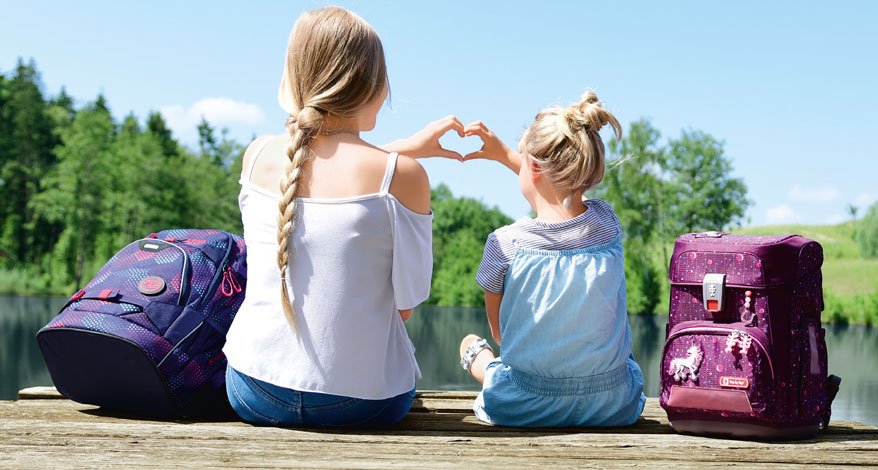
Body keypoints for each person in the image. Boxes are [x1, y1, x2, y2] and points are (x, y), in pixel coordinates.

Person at [223, 6, 466, 428]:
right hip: (364, 401)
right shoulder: (403, 177)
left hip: (251, 388)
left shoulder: (258, 155)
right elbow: (406, 306)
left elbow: (318, 168)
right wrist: (399, 156)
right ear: (373, 82)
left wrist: (400, 149)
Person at [458, 91, 647, 427]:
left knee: (474, 345)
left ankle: (480, 361)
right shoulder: (608, 224)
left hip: (524, 403)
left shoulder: (504, 244)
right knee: (624, 358)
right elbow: (566, 190)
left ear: (532, 166)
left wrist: (507, 156)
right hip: (612, 403)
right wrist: (509, 155)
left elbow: (503, 335)